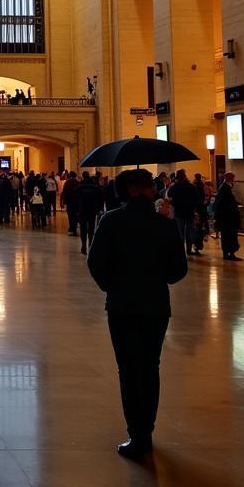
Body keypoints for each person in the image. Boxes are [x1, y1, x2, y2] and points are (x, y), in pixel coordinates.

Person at [87, 169, 188, 460]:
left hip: (121, 306)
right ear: (133, 189)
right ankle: (147, 430)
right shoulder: (164, 224)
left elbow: (96, 263)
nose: (153, 189)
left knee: (129, 370)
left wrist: (113, 287)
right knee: (149, 367)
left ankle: (137, 433)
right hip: (155, 305)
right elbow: (177, 271)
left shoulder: (111, 221)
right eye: (147, 185)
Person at [167, 169, 200, 256]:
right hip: (189, 212)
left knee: (179, 233)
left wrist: (174, 204)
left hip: (178, 212)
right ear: (185, 177)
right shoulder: (191, 187)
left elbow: (169, 197)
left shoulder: (174, 187)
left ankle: (180, 250)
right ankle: (189, 250)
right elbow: (196, 200)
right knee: (189, 232)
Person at [215, 171, 242, 260]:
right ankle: (230, 253)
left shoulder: (223, 188)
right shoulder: (226, 188)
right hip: (228, 218)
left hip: (225, 218)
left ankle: (228, 253)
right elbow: (227, 203)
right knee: (230, 236)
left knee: (227, 236)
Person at [77, 171, 102, 254]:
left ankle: (83, 245)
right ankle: (90, 244)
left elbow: (75, 199)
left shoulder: (79, 186)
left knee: (83, 228)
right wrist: (99, 209)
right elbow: (100, 198)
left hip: (82, 210)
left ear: (83, 176)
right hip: (92, 210)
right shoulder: (95, 186)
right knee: (91, 228)